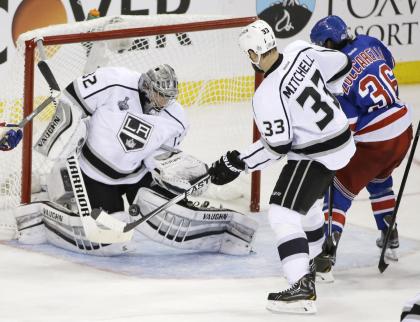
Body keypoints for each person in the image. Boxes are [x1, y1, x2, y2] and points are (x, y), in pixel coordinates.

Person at [0, 64, 258, 257]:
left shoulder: (176, 119)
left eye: (169, 97)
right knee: (109, 233)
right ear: (147, 87)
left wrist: (174, 177)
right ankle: (55, 210)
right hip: (95, 175)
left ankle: (218, 230)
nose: (164, 102)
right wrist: (54, 136)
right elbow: (70, 101)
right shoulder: (114, 82)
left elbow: (161, 157)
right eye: (159, 95)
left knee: (169, 211)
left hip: (137, 175)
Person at [208, 19, 355, 314]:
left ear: (252, 54)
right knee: (309, 204)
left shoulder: (266, 95)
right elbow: (343, 62)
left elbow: (278, 147)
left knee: (281, 213)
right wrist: (332, 95)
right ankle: (320, 264)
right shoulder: (301, 50)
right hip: (343, 141)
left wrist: (238, 163)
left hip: (318, 153)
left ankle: (301, 287)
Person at [309, 16, 413, 278]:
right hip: (403, 127)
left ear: (331, 42)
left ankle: (326, 252)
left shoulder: (336, 70)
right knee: (380, 179)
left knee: (338, 190)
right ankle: (390, 234)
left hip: (376, 138)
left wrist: (334, 152)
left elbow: (350, 122)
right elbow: (389, 66)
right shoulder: (371, 42)